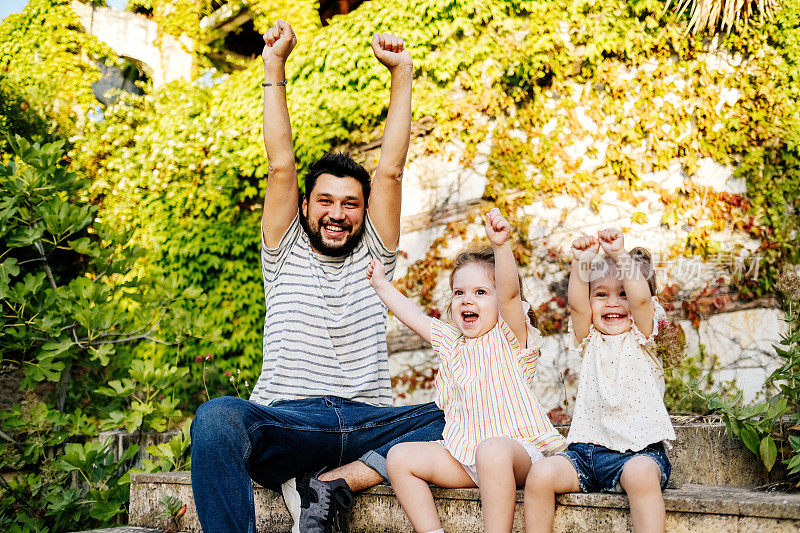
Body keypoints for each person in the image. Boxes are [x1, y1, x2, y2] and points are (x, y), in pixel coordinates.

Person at [190, 19, 445, 533]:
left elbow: (391, 168)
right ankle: (306, 481)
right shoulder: (282, 251)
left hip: (367, 421)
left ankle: (336, 483)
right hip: (291, 421)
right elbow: (281, 164)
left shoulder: (376, 252)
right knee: (215, 419)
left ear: (365, 213)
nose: (337, 212)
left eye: (351, 204)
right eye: (325, 200)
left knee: (465, 407)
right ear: (304, 206)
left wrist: (402, 73)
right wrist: (274, 65)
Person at [366, 207, 566, 533]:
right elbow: (413, 315)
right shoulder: (451, 342)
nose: (466, 300)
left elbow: (511, 294)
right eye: (459, 292)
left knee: (492, 450)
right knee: (399, 458)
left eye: (480, 292)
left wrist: (501, 246)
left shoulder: (510, 337)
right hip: (464, 456)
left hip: (515, 454)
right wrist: (380, 284)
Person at [523, 228, 676, 533]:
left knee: (642, 477)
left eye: (623, 294)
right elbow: (578, 305)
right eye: (601, 294)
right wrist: (581, 262)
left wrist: (620, 255)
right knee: (539, 475)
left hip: (639, 453)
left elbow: (642, 302)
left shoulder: (643, 335)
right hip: (585, 454)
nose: (612, 303)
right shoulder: (589, 338)